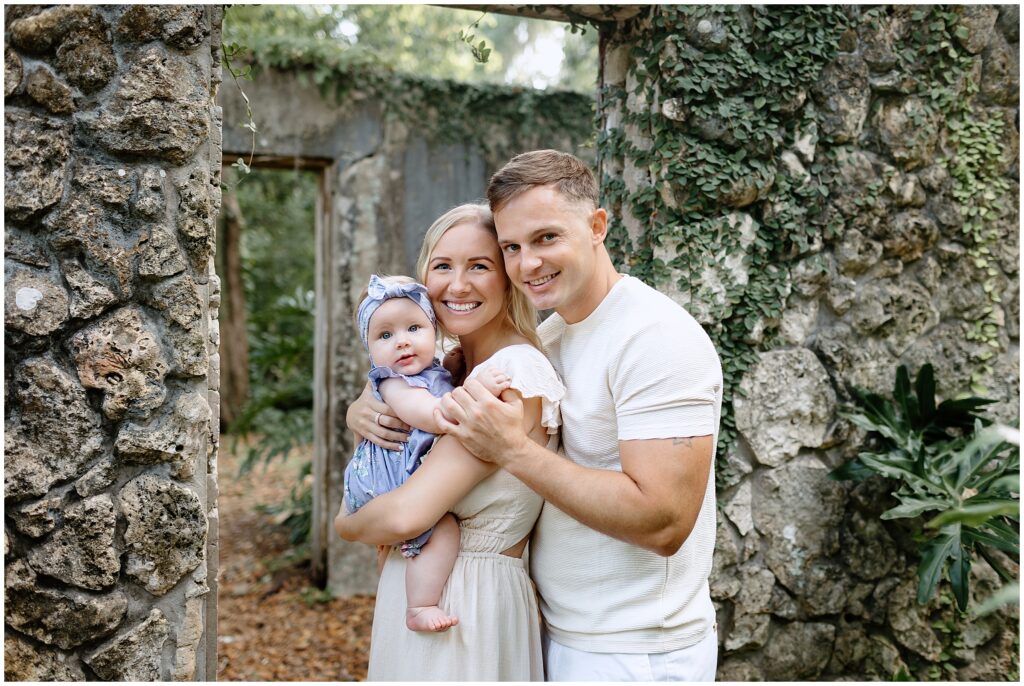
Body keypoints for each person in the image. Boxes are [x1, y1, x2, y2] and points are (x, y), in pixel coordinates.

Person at [434, 150, 722, 681]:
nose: (528, 264)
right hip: (555, 632)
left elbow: (664, 521)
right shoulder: (550, 337)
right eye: (511, 248)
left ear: (596, 226)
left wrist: (513, 451)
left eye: (546, 238)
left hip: (635, 653)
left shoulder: (656, 338)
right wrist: (368, 406)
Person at [335, 203, 566, 680]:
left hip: (469, 605)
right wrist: (358, 408)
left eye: (479, 266)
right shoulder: (440, 371)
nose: (457, 285)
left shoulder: (514, 373)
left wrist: (347, 526)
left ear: (508, 278)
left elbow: (403, 515)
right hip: (417, 596)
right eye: (443, 266)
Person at [343, 273, 511, 632]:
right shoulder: (393, 383)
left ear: (433, 330)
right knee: (443, 528)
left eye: (414, 328)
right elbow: (431, 414)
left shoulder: (437, 371)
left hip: (402, 470)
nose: (401, 342)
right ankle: (419, 605)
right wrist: (476, 390)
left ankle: (398, 574)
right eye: (385, 335)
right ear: (369, 349)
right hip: (385, 477)